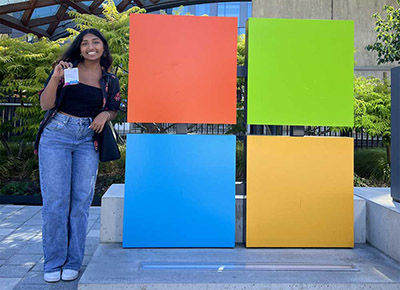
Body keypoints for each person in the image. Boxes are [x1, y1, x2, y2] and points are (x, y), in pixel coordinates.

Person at [35, 28, 120, 283]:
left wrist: (105, 115)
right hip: (57, 135)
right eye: (85, 43)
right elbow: (46, 105)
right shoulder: (66, 69)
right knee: (55, 203)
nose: (90, 46)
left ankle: (73, 261)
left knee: (81, 203)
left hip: (87, 139)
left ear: (103, 47)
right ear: (79, 48)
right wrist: (55, 78)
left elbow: (114, 108)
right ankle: (53, 262)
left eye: (95, 42)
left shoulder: (109, 79)